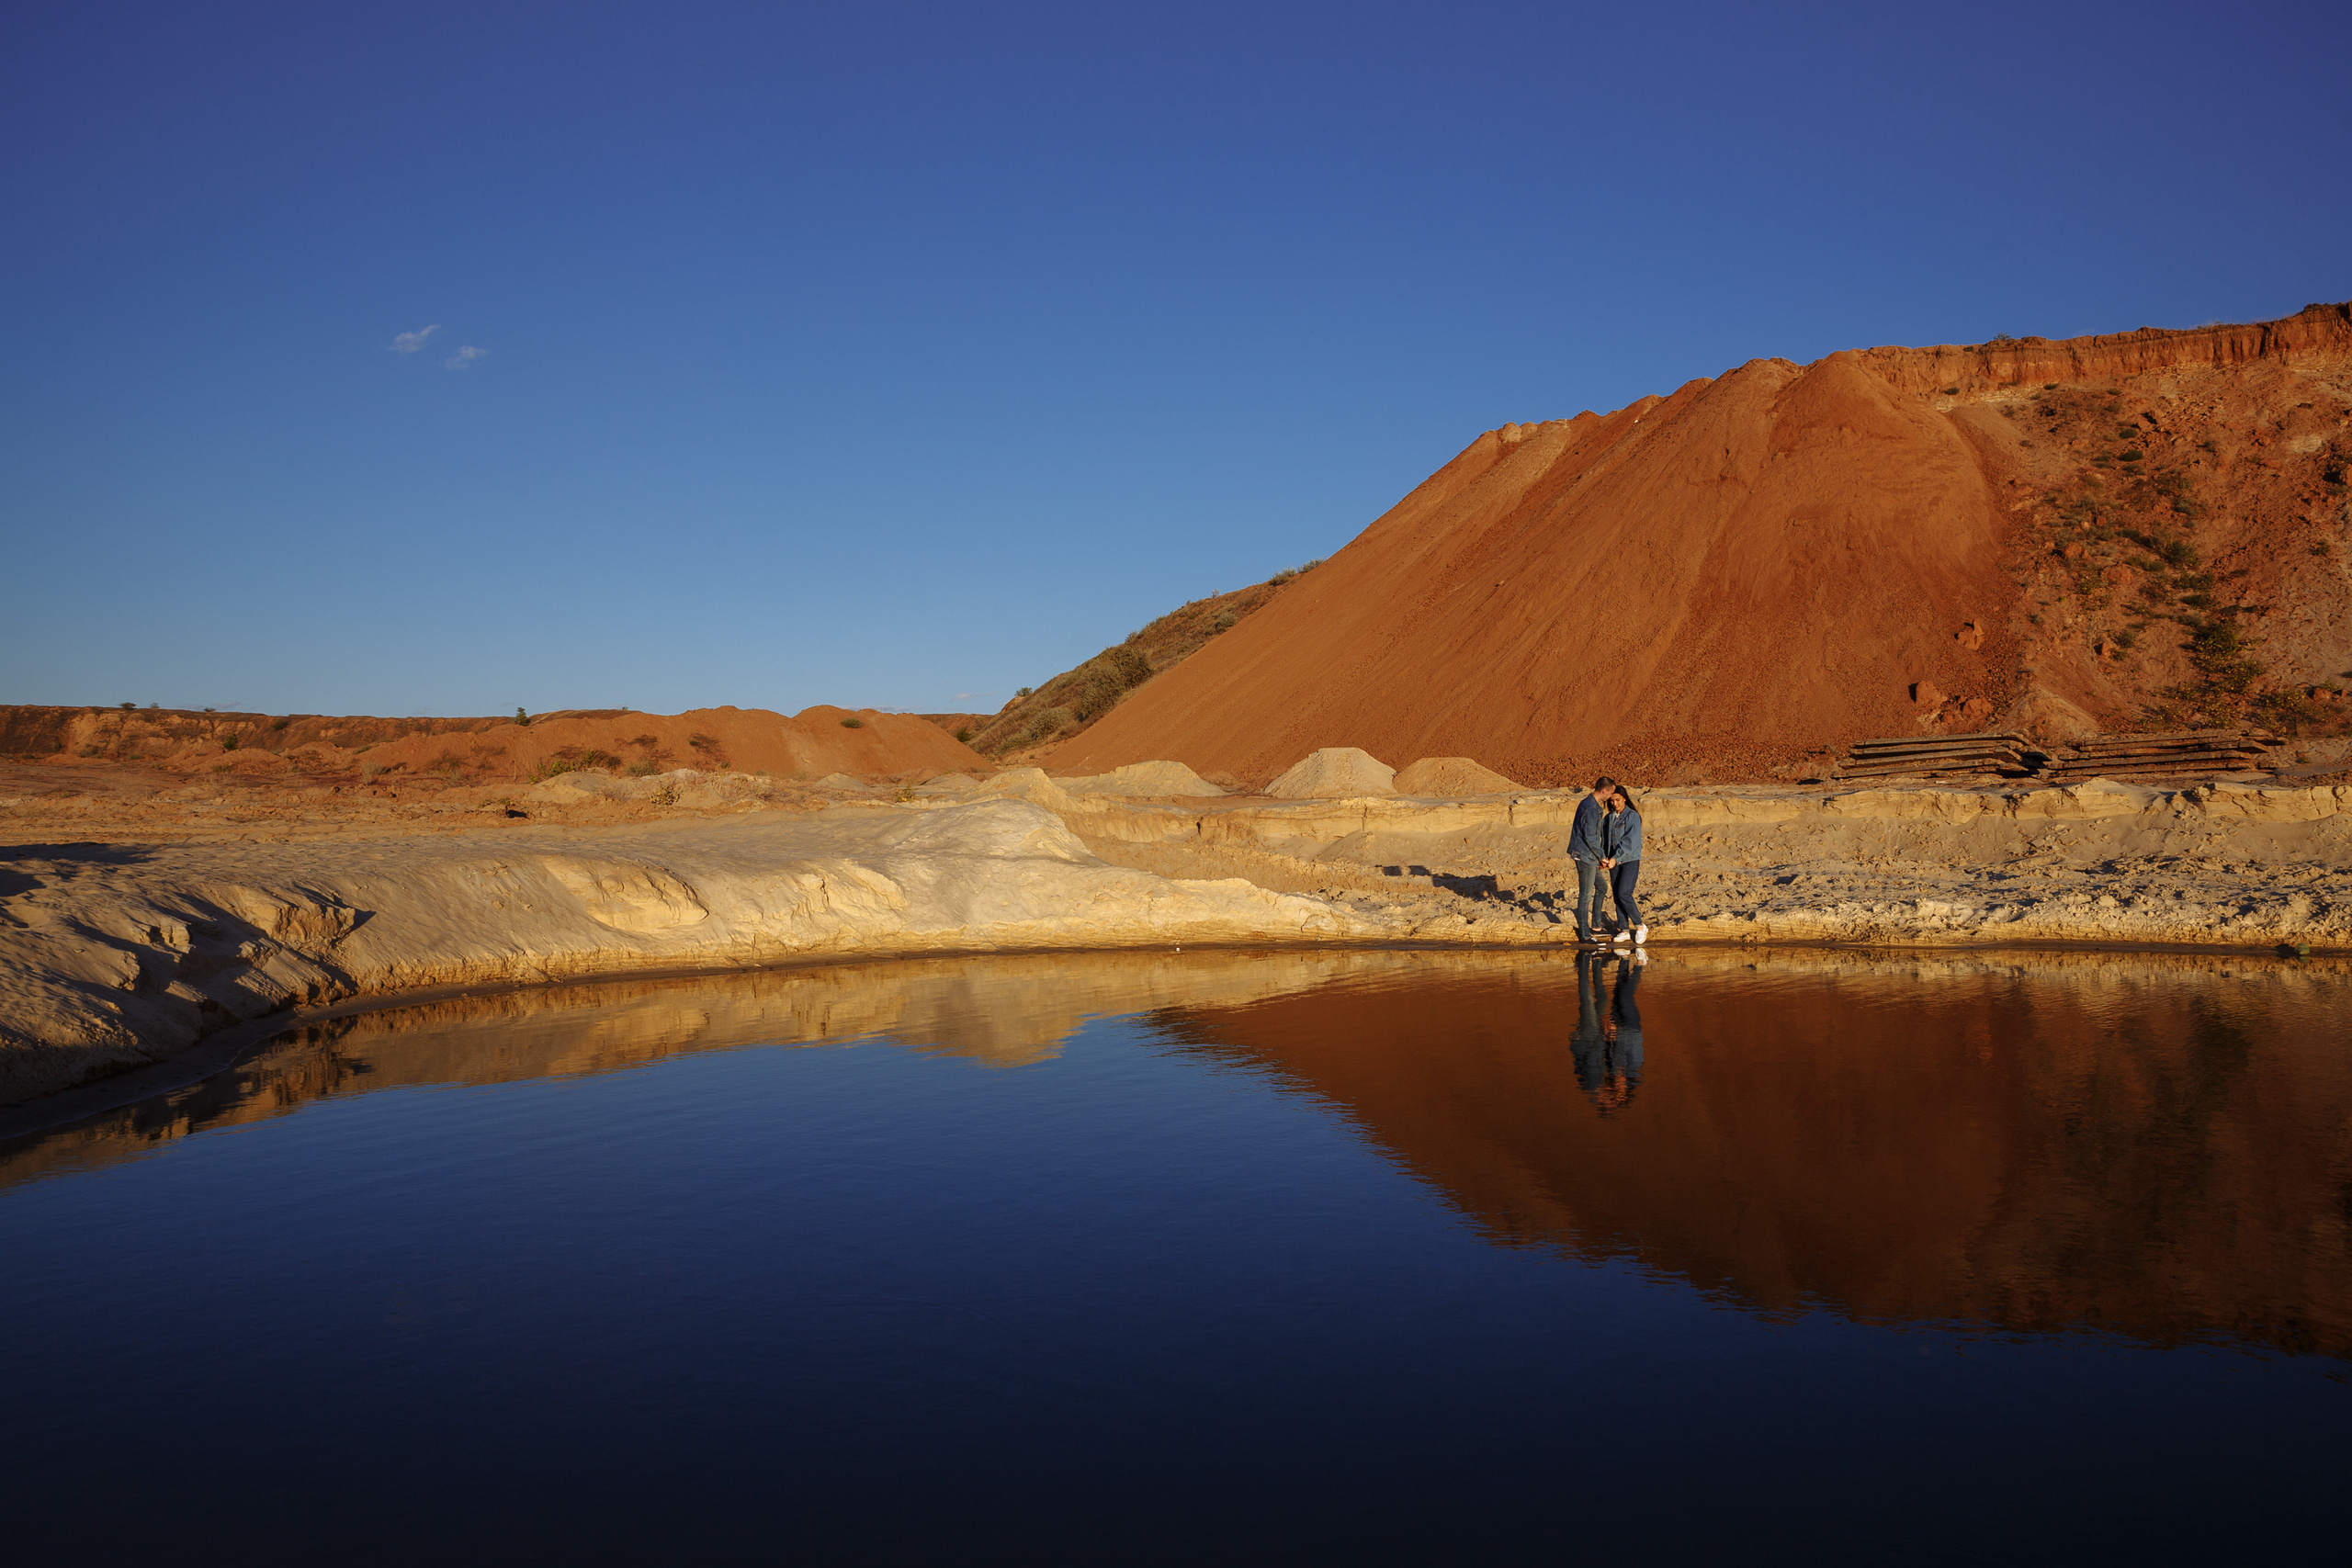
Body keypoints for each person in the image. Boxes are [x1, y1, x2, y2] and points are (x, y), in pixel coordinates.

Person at [1566, 775, 1618, 943]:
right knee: (1586, 896)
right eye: (1610, 793)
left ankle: (1596, 926)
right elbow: (1590, 837)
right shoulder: (1590, 808)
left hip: (1589, 855)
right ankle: (1585, 935)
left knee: (1602, 888)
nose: (1611, 797)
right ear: (1604, 791)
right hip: (1585, 856)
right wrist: (1602, 857)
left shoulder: (1591, 804)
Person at [1599, 784, 1647, 945]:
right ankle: (1624, 930)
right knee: (1617, 895)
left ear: (1624, 798)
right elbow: (1605, 841)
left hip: (1629, 859)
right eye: (1612, 801)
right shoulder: (1609, 818)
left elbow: (1630, 842)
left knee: (1624, 893)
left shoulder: (1632, 816)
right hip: (1613, 860)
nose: (1614, 803)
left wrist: (1616, 858)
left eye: (1617, 800)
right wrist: (1604, 858)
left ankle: (1640, 926)